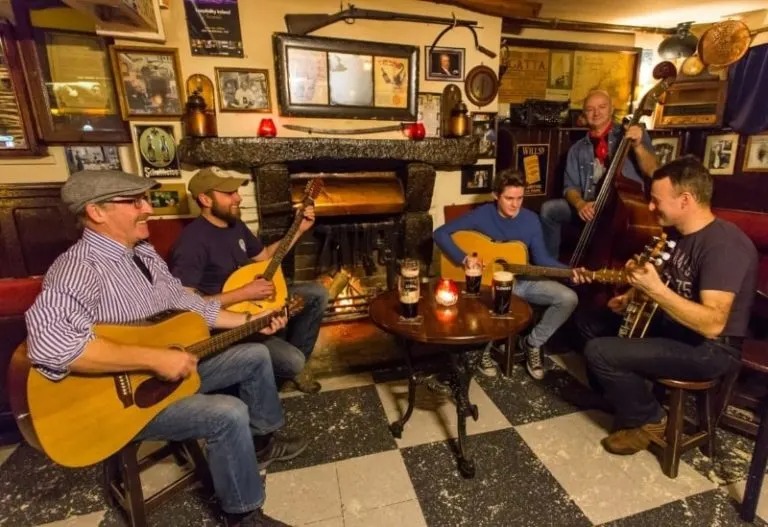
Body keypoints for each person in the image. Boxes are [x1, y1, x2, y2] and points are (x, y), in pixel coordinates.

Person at [24, 170, 305, 527]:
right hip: (122, 405)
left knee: (254, 354)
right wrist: (153, 358)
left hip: (165, 376)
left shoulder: (142, 254)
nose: (149, 210)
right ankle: (243, 515)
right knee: (228, 412)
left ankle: (261, 441)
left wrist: (255, 319)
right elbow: (49, 344)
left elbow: (189, 304)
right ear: (96, 211)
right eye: (135, 202)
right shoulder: (79, 268)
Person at [579, 156, 758, 456]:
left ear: (685, 200)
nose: (650, 207)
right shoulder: (678, 236)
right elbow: (670, 286)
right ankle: (620, 396)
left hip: (710, 349)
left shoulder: (724, 246)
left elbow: (713, 324)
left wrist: (655, 290)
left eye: (655, 200)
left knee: (600, 352)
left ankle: (649, 420)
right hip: (675, 327)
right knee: (586, 321)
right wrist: (632, 298)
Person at [170, 167, 329, 393]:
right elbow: (186, 307)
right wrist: (244, 293)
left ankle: (293, 365)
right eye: (229, 193)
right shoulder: (191, 243)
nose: (238, 197)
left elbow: (264, 257)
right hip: (228, 325)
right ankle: (288, 366)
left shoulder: (236, 225)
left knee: (316, 294)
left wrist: (299, 229)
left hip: (256, 303)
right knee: (292, 360)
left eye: (236, 191)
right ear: (205, 199)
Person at [434, 169, 589, 380]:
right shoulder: (482, 215)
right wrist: (464, 258)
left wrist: (570, 272)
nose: (515, 205)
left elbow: (542, 259)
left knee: (569, 298)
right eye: (509, 198)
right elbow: (440, 233)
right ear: (496, 195)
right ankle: (483, 352)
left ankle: (532, 344)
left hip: (523, 282)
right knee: (498, 296)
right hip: (492, 285)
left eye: (520, 198)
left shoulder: (531, 220)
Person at [539, 90, 658, 259]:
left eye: (602, 107)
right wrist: (580, 204)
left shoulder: (631, 133)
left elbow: (652, 170)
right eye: (590, 109)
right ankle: (549, 266)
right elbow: (570, 187)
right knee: (549, 209)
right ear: (584, 114)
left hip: (623, 207)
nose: (596, 113)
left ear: (611, 109)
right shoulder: (577, 149)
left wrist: (638, 145)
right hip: (589, 206)